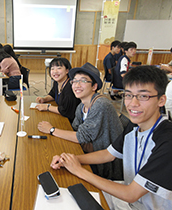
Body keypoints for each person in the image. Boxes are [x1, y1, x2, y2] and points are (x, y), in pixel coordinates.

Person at [51, 65, 172, 209]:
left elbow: (131, 193)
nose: (133, 104)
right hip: (128, 200)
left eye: (143, 96)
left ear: (161, 100)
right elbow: (108, 154)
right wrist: (71, 160)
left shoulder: (167, 140)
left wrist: (79, 170)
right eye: (128, 95)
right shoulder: (134, 127)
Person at [38, 62, 123, 180]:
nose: (76, 85)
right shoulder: (81, 106)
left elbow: (81, 137)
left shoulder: (100, 104)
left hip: (105, 165)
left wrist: (51, 130)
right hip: (88, 153)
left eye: (83, 81)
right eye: (74, 81)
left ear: (94, 86)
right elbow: (74, 129)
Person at [35, 58, 81, 124]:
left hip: (71, 122)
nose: (55, 71)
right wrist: (44, 99)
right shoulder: (57, 82)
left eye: (59, 68)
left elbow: (66, 111)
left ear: (67, 71)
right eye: (52, 69)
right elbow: (53, 94)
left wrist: (47, 107)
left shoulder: (70, 87)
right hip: (62, 117)